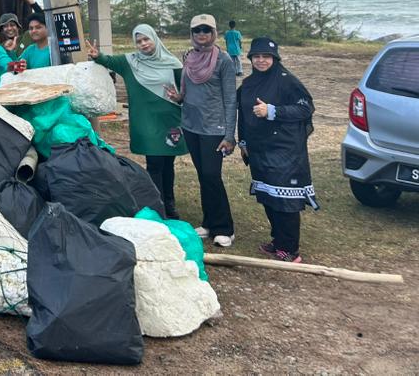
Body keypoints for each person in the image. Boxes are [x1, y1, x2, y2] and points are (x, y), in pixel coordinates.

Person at [88, 25, 186, 218]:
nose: (143, 44)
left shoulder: (172, 62)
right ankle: (157, 206)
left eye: (146, 39)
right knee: (155, 163)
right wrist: (96, 55)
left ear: (154, 39)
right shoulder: (130, 62)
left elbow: (185, 91)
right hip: (146, 121)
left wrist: (180, 98)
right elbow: (107, 60)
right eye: (139, 41)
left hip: (170, 119)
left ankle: (169, 203)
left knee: (168, 163)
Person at [238, 37, 317, 263]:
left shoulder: (287, 81)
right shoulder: (249, 84)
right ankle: (278, 241)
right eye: (257, 56)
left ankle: (290, 249)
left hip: (285, 149)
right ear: (251, 58)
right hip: (259, 148)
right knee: (269, 196)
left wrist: (273, 111)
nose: (261, 61)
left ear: (275, 58)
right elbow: (242, 116)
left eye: (266, 56)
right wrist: (243, 143)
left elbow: (305, 108)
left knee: (285, 200)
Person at [168, 14, 237, 248]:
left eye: (206, 30)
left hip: (214, 127)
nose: (201, 35)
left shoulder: (224, 60)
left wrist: (229, 135)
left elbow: (230, 98)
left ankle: (224, 227)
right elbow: (187, 90)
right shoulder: (189, 56)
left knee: (211, 175)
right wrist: (178, 98)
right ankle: (209, 223)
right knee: (203, 176)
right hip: (191, 125)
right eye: (197, 30)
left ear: (214, 32)